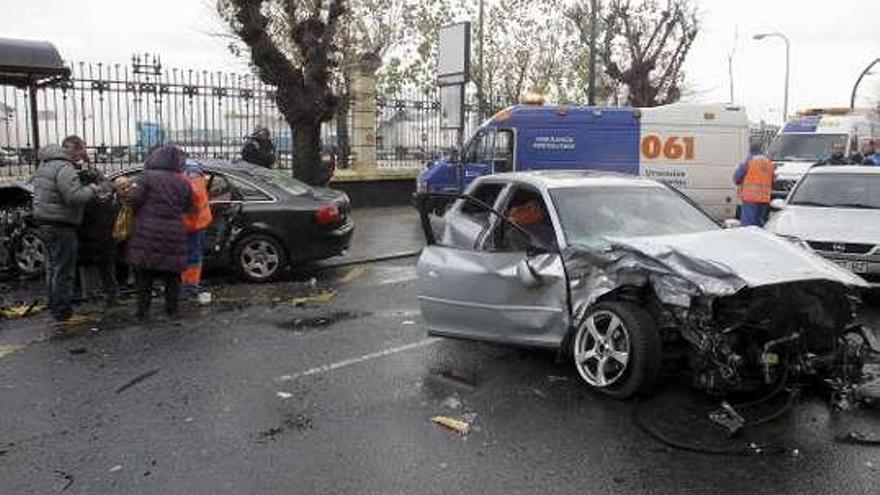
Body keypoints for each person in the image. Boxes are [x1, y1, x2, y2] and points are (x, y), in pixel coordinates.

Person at [32, 140, 98, 322]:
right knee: (64, 271)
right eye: (81, 151)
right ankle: (62, 311)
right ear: (75, 150)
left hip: (44, 222)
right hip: (61, 224)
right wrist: (91, 189)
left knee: (52, 268)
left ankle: (54, 305)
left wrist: (84, 167)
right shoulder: (64, 168)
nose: (82, 156)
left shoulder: (46, 164)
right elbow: (74, 197)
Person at [126, 145, 192, 319]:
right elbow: (188, 206)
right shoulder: (183, 181)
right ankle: (172, 309)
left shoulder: (145, 177)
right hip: (174, 232)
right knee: (172, 275)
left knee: (145, 274)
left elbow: (133, 198)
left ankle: (142, 310)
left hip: (147, 231)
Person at [76, 163, 119, 307]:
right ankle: (112, 296)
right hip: (107, 240)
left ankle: (91, 299)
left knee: (88, 271)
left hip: (86, 241)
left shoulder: (83, 199)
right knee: (107, 270)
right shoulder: (109, 195)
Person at [180, 159, 213, 299]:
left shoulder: (190, 176)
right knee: (193, 256)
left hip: (191, 224)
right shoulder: (196, 175)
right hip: (198, 222)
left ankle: (189, 287)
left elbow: (194, 198)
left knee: (191, 256)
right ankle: (189, 285)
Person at [733, 141, 775, 227]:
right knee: (760, 226)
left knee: (747, 226)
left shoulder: (748, 162)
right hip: (764, 199)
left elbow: (737, 178)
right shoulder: (769, 163)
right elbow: (773, 179)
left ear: (751, 151)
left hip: (750, 199)